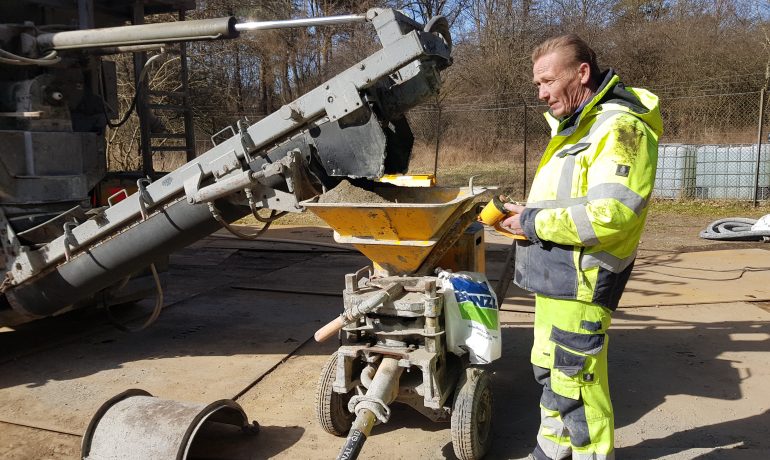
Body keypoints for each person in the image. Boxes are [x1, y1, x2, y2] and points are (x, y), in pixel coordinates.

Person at [499, 35, 662, 459]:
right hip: (555, 278)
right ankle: (551, 450)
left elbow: (612, 213)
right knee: (550, 372)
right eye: (538, 84)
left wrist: (533, 222)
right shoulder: (577, 126)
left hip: (584, 279)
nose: (541, 93)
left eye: (547, 81)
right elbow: (568, 200)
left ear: (581, 73)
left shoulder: (621, 127)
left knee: (578, 382)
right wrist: (526, 213)